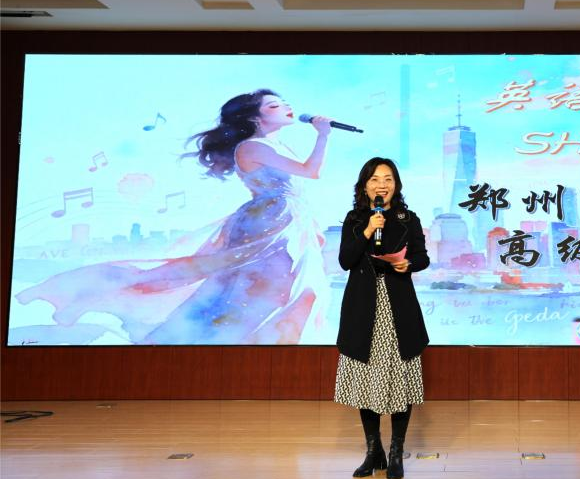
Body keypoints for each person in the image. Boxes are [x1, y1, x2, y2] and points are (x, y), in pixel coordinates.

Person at [16, 89, 334, 345]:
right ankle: (92, 298)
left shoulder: (275, 146)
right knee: (248, 285)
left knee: (281, 285)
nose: (287, 107)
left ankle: (270, 341)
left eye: (284, 103)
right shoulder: (252, 146)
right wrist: (323, 134)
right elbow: (312, 171)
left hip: (287, 220)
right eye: (275, 105)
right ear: (255, 117)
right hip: (269, 221)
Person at [334, 157, 430, 479]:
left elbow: (422, 257)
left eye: (388, 179)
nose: (382, 185)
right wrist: (367, 230)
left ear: (396, 185)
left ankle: (396, 452)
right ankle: (373, 452)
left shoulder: (408, 219)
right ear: (365, 186)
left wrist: (408, 265)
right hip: (363, 306)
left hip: (398, 304)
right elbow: (346, 260)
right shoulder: (355, 219)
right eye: (375, 179)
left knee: (400, 379)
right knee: (366, 380)